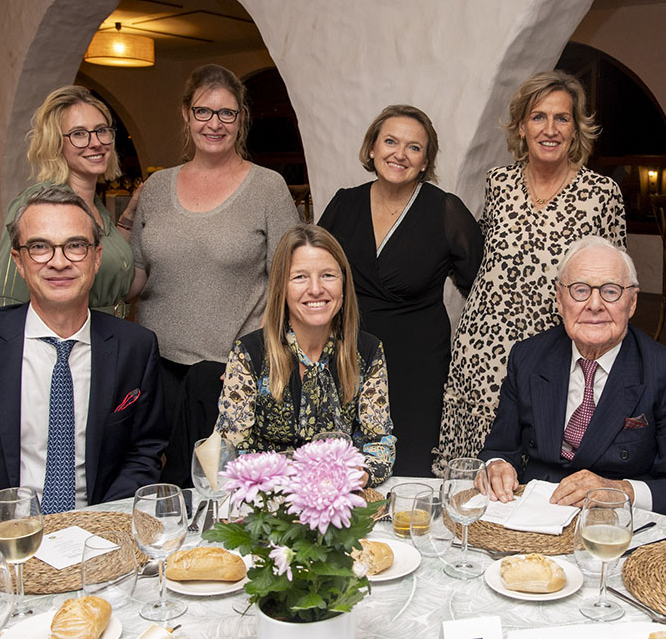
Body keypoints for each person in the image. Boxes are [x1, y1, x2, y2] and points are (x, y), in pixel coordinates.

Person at [0, 187, 168, 549]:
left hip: (96, 543)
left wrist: (100, 529)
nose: (59, 261)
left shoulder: (135, 347)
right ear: (19, 262)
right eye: (40, 246)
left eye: (75, 246)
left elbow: (144, 451)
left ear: (96, 258)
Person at [436, 71, 626, 474]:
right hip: (483, 349)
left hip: (554, 349)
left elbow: (616, 287)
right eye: (539, 117)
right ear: (522, 127)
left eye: (562, 118)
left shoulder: (602, 194)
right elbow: (483, 260)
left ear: (576, 129)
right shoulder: (499, 182)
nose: (550, 129)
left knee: (538, 467)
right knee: (478, 470)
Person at [129, 64, 301, 482]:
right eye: (204, 111)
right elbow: (134, 274)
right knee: (160, 485)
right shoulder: (155, 188)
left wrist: (262, 354)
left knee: (221, 490)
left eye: (227, 113)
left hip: (230, 372)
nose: (214, 123)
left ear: (241, 119)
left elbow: (291, 280)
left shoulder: (267, 188)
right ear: (186, 114)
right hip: (156, 368)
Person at [478, 237, 666, 518]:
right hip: (535, 519)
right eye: (580, 290)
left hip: (616, 525)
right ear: (560, 301)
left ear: (632, 302)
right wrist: (496, 465)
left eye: (610, 291)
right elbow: (498, 450)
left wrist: (615, 489)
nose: (594, 304)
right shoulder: (527, 357)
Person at [319, 105, 481, 477]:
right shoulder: (345, 203)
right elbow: (312, 275)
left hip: (418, 365)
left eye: (414, 147)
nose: (399, 154)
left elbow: (480, 284)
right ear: (372, 148)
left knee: (411, 472)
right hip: (348, 357)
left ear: (425, 161)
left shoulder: (444, 210)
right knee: (346, 469)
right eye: (390, 141)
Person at [215, 225, 396, 486]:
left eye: (328, 276)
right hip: (269, 500)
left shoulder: (367, 352)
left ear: (344, 285)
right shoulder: (248, 353)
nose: (315, 289)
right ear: (282, 288)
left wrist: (360, 475)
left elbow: (380, 441)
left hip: (342, 496)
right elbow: (230, 449)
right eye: (300, 277)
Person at [0, 86, 134, 317]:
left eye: (101, 130)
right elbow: (5, 297)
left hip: (106, 338)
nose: (96, 143)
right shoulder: (37, 205)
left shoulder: (96, 209)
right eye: (79, 134)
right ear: (56, 143)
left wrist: (127, 222)